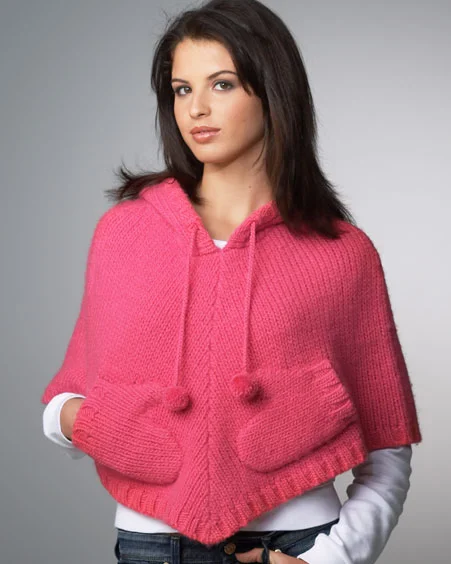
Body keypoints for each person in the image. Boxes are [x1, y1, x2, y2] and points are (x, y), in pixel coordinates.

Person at [40, 1, 422, 563]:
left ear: (272, 91)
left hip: (296, 543)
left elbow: (388, 446)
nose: (196, 108)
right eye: (181, 89)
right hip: (153, 547)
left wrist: (332, 559)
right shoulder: (123, 234)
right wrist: (81, 421)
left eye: (221, 84)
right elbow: (65, 400)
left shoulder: (341, 253)